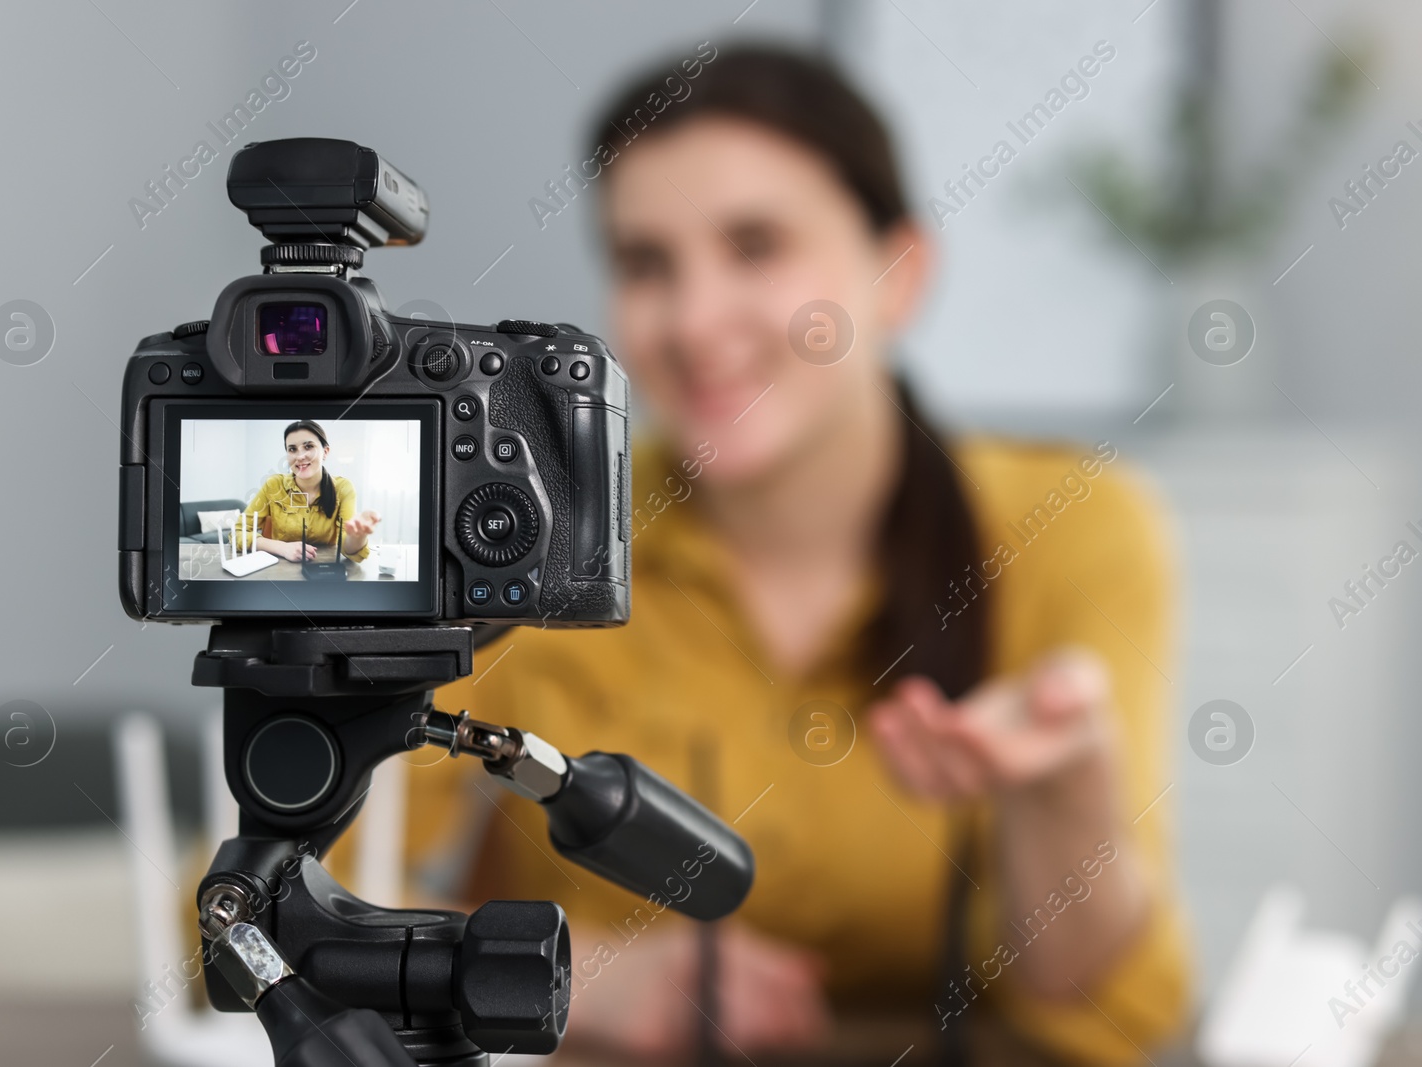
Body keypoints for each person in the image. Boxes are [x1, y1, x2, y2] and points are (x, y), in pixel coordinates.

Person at [391, 46, 1190, 1065]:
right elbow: (259, 913)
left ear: (899, 272)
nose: (693, 319)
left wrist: (1066, 804)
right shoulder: (527, 531)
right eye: (645, 264)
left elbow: (1111, 1009)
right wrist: (579, 970)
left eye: (756, 245)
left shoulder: (1076, 522)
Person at [236, 419, 380, 564]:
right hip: (279, 570)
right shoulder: (273, 485)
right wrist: (282, 548)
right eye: (292, 449)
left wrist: (357, 537)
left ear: (325, 452)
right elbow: (238, 532)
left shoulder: (343, 488)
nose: (299, 456)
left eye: (308, 446)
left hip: (325, 570)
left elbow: (347, 549)